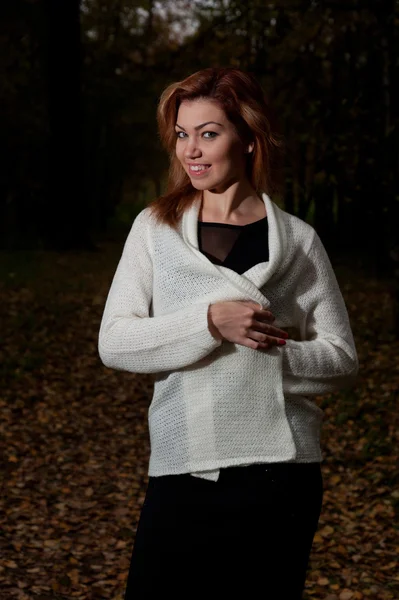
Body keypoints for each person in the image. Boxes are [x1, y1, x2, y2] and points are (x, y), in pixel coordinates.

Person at [98, 67, 359, 599]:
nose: (190, 150)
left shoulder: (299, 243)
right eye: (181, 134)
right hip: (185, 467)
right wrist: (209, 322)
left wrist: (268, 351)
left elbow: (342, 360)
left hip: (281, 476)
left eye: (208, 133)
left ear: (249, 138)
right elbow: (115, 341)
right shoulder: (156, 230)